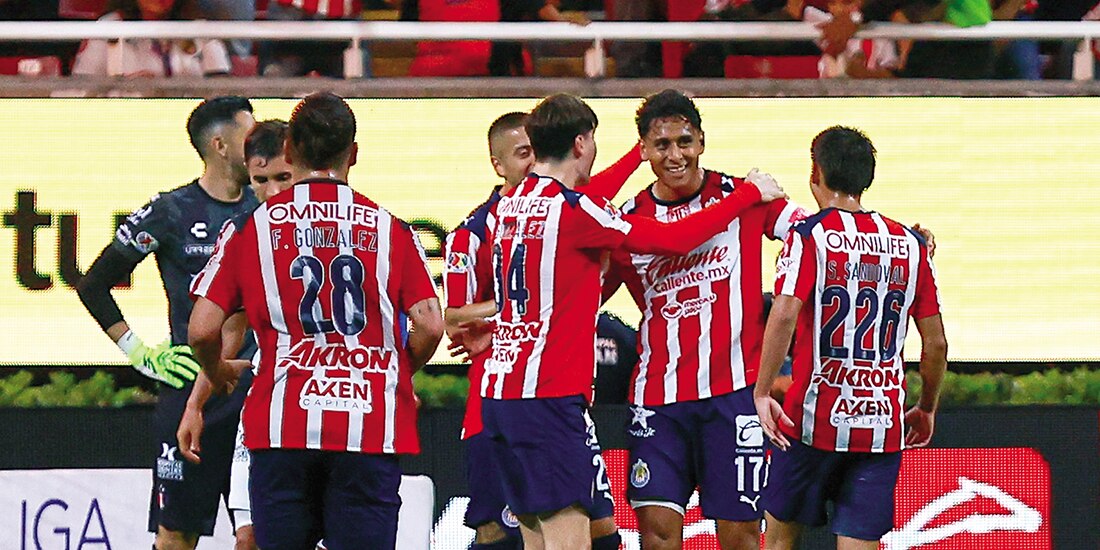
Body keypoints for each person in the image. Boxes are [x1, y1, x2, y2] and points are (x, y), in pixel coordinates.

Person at [452, 92, 785, 550]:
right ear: (582, 143)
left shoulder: (506, 207)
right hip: (549, 395)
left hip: (500, 394)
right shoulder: (575, 209)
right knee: (572, 539)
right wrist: (748, 194)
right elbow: (673, 238)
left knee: (534, 536)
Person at [187, 92, 444, 550]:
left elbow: (202, 329)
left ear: (289, 152)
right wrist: (396, 371)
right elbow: (430, 325)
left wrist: (217, 370)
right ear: (354, 153)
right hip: (369, 423)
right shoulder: (393, 230)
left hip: (282, 424)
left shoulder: (251, 229)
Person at [601, 89, 807, 550]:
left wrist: (896, 235)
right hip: (659, 399)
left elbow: (818, 234)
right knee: (656, 538)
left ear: (702, 142)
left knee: (740, 538)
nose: (675, 155)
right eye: (662, 145)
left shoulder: (746, 196)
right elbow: (584, 296)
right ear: (644, 151)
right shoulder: (627, 220)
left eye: (684, 141)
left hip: (734, 398)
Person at [443, 111, 642, 550]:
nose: (533, 162)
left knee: (598, 528)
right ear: (498, 165)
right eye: (521, 155)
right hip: (510, 398)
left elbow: (588, 196)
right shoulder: (473, 232)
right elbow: (453, 317)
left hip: (545, 390)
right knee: (503, 531)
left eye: (535, 151)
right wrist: (524, 306)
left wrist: (638, 154)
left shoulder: (554, 208)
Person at [74, 96, 258, 550]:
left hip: (258, 391)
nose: (258, 145)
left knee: (257, 533)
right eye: (247, 135)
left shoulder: (269, 207)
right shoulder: (170, 211)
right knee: (177, 534)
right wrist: (140, 353)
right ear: (219, 145)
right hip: (189, 392)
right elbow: (93, 284)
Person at [753, 126, 948, 550]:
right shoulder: (911, 245)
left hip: (811, 423)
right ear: (867, 178)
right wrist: (926, 407)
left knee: (780, 539)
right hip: (881, 425)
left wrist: (763, 390)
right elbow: (935, 344)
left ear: (815, 172)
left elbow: (784, 313)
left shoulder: (807, 236)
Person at [179, 119, 291, 550]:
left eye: (283, 177)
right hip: (267, 405)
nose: (272, 192)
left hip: (330, 406)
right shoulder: (247, 236)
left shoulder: (343, 228)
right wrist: (195, 404)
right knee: (249, 539)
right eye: (261, 180)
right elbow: (224, 331)